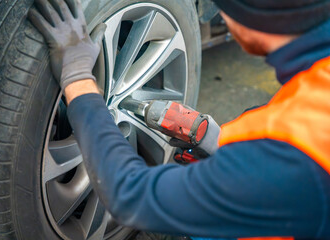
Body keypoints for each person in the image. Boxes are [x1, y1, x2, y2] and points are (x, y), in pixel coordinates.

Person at [28, 0, 330, 238]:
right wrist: (219, 145)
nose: (223, 19)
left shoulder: (291, 163)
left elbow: (130, 196)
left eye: (223, 10)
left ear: (254, 20)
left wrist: (79, 79)